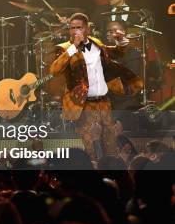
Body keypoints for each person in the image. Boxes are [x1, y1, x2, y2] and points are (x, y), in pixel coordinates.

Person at [48, 12, 142, 160]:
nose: (75, 31)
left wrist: (121, 41)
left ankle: (113, 179)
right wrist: (73, 47)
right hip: (84, 105)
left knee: (111, 150)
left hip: (104, 104)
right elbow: (54, 70)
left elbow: (115, 54)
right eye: (72, 28)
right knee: (92, 151)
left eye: (79, 27)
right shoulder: (64, 48)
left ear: (87, 29)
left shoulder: (96, 43)